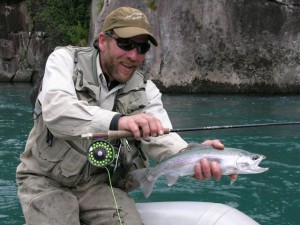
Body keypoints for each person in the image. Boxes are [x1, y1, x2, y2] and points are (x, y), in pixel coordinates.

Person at [16, 7, 236, 225]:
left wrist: (196, 155)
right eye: (126, 44)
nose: (133, 55)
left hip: (99, 186)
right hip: (46, 180)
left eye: (142, 48)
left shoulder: (147, 91)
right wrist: (119, 121)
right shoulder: (64, 60)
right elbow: (57, 110)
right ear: (103, 40)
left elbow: (163, 138)